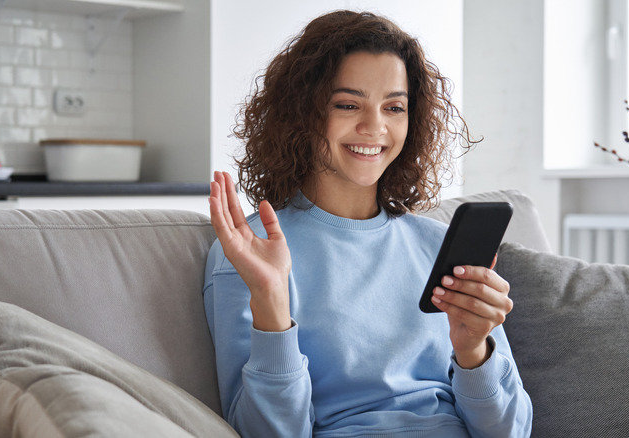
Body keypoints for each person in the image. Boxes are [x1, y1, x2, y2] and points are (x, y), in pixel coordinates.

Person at [203, 10, 532, 437]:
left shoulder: (437, 245)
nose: (374, 127)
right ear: (303, 113)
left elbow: (511, 432)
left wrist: (474, 351)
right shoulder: (249, 253)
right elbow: (269, 432)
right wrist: (271, 304)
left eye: (394, 107)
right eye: (347, 104)